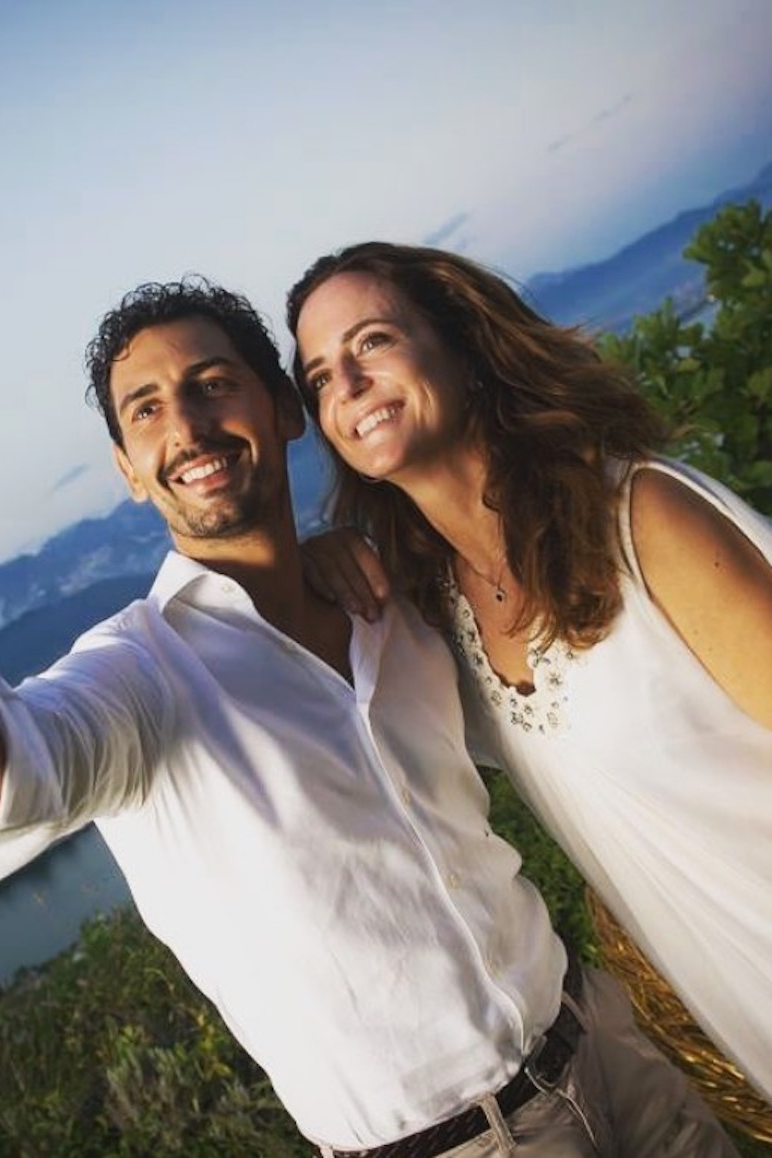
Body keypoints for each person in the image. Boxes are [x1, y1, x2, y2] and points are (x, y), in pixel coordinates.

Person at [0, 206, 736, 1157]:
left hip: (611, 1048)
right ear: (131, 474)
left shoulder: (400, 603)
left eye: (214, 384)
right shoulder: (142, 677)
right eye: (146, 411)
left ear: (284, 411)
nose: (187, 422)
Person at [287, 239, 772, 1103]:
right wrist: (315, 562)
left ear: (464, 346)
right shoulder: (432, 618)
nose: (349, 387)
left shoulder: (639, 518)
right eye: (320, 376)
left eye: (371, 342)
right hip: (744, 992)